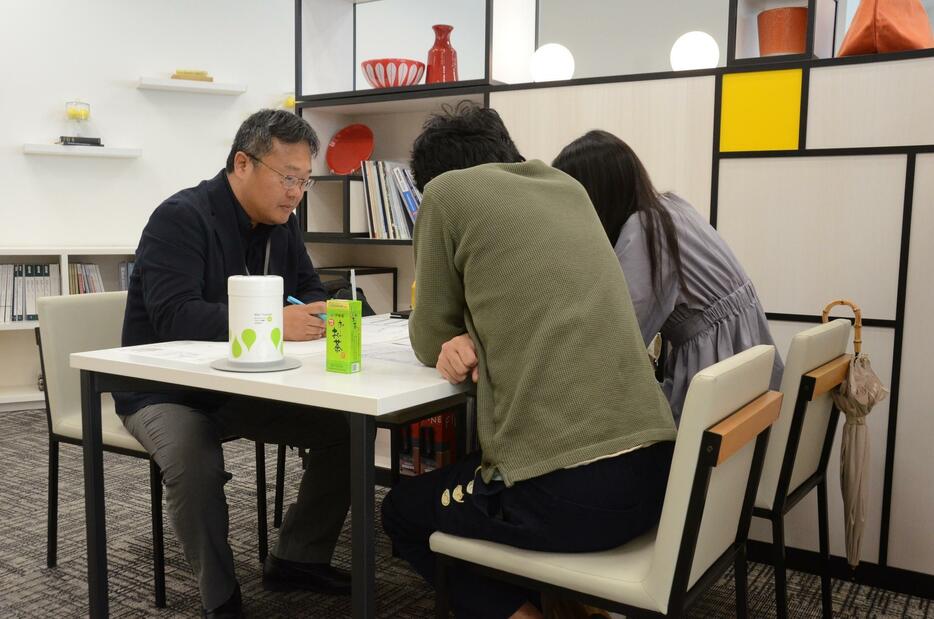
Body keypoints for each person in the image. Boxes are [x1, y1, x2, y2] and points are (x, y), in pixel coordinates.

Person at [380, 102, 677, 619]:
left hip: (570, 495)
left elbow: (428, 335)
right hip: (657, 479)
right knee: (479, 477)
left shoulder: (448, 194)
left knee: (403, 512)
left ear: (430, 181)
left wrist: (451, 337)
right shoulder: (569, 189)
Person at [116, 109, 351, 618]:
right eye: (288, 178)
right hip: (165, 390)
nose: (296, 193)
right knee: (194, 462)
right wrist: (276, 324)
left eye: (304, 182)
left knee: (348, 428)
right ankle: (221, 598)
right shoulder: (181, 217)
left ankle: (297, 556)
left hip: (247, 385)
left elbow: (308, 292)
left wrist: (318, 312)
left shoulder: (280, 226)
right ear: (242, 163)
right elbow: (174, 316)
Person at [552, 130, 783, 424]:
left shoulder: (645, 231)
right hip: (745, 365)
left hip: (715, 374)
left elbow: (621, 336)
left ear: (595, 194)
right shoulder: (672, 207)